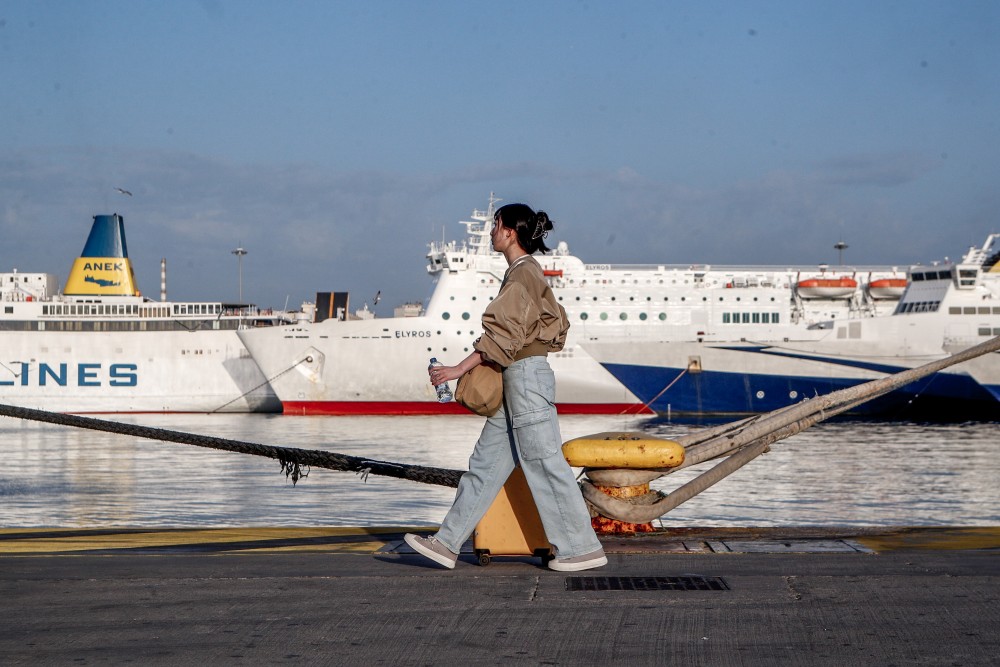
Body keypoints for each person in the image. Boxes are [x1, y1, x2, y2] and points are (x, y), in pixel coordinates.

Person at [404, 203, 607, 572]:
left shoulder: (521, 274)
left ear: (510, 231)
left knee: (544, 462)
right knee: (484, 465)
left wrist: (455, 370)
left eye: (496, 224)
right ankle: (447, 543)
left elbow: (500, 336)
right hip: (520, 377)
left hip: (525, 378)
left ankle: (581, 548)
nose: (492, 231)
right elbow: (556, 326)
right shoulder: (527, 272)